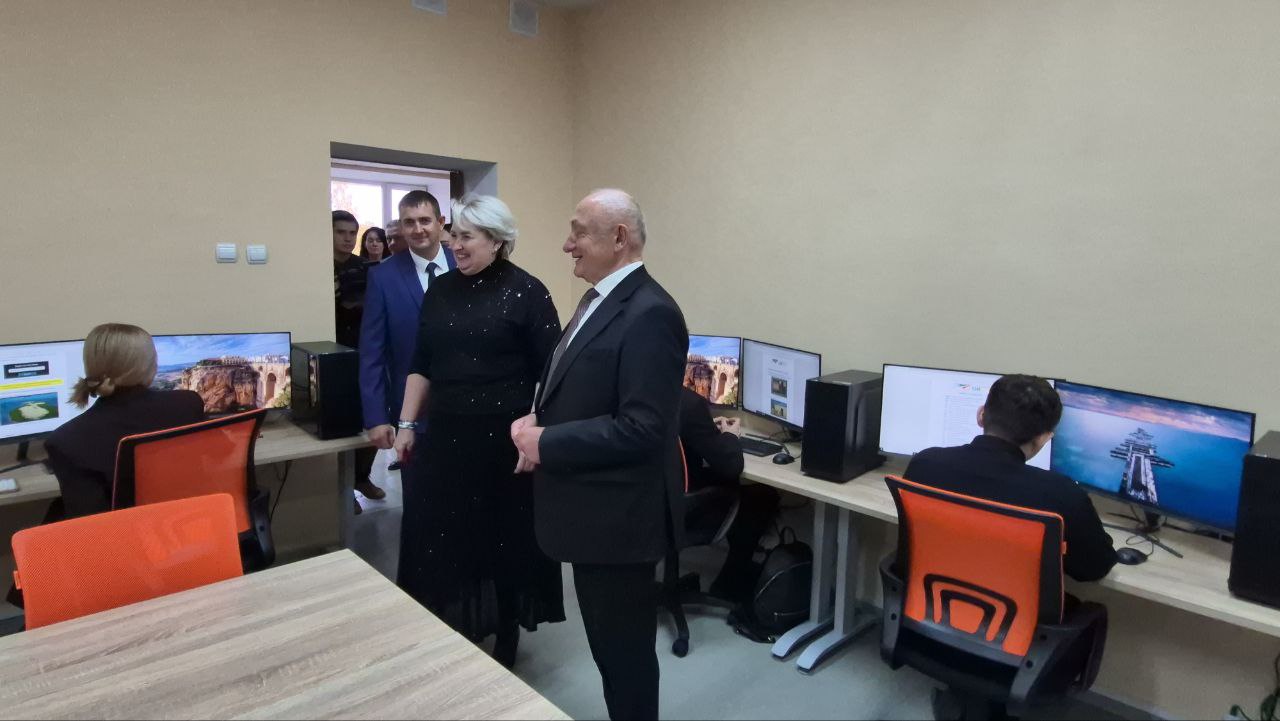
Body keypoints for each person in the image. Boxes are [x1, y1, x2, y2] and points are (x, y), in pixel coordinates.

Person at [512, 189, 687, 721]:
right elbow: (583, 389)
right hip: (591, 514)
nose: (567, 245)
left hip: (619, 526)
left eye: (579, 233)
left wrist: (547, 443)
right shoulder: (598, 301)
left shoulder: (651, 313)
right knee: (610, 654)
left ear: (619, 238)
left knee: (624, 660)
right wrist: (537, 418)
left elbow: (642, 428)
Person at [392, 194, 564, 668]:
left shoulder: (527, 292)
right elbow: (421, 363)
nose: (456, 244)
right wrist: (406, 423)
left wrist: (536, 429)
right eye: (455, 235)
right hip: (447, 438)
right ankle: (453, 622)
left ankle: (505, 630)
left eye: (467, 236)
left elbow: (551, 374)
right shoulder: (441, 290)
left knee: (501, 541)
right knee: (445, 537)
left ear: (497, 240)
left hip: (504, 444)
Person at [903, 374, 1117, 720]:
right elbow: (1093, 568)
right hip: (1018, 644)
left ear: (981, 415)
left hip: (934, 621)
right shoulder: (1061, 494)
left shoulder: (925, 465)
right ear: (1044, 438)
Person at [44, 323, 206, 519]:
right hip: (188, 521)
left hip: (123, 535)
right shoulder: (188, 404)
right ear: (150, 366)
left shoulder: (65, 440)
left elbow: (88, 522)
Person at [359, 191, 455, 494]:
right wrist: (376, 417)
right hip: (413, 415)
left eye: (425, 220)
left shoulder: (465, 263)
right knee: (419, 500)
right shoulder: (383, 277)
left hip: (468, 406)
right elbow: (372, 353)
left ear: (440, 222)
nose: (418, 229)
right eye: (409, 222)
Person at [677, 387, 780, 603]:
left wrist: (704, 427)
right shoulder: (690, 404)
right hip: (686, 512)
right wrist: (730, 436)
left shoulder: (640, 395)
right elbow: (731, 466)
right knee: (762, 498)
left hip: (650, 505)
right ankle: (729, 585)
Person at [332, 210, 384, 510]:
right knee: (341, 424)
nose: (348, 238)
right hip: (332, 354)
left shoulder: (366, 268)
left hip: (364, 350)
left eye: (352, 233)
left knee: (372, 418)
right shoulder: (317, 266)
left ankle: (361, 477)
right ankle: (343, 491)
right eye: (341, 232)